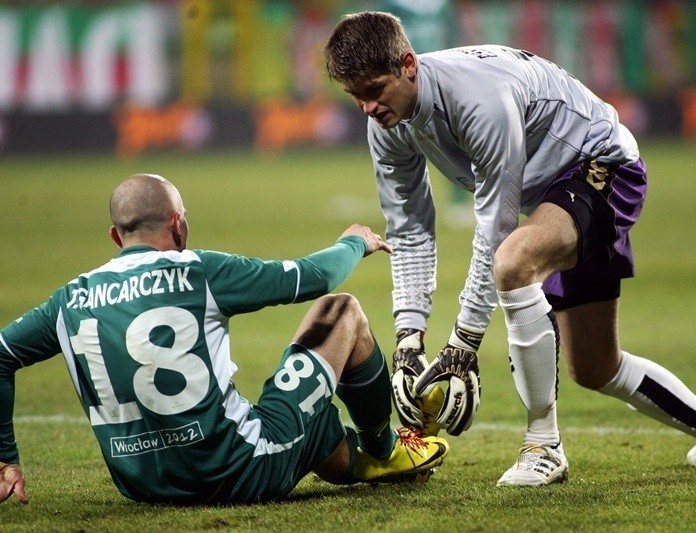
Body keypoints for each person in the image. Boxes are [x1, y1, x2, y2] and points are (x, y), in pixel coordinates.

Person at [323, 11, 696, 487]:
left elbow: (496, 228)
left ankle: (544, 446)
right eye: (356, 97)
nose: (368, 107)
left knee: (514, 261)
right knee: (597, 367)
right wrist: (408, 341)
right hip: (553, 198)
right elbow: (411, 230)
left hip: (603, 166)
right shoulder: (386, 125)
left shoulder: (480, 99)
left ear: (408, 65)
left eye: (375, 90)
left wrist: (463, 344)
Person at [0, 173, 448, 505]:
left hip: (144, 486)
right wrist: (355, 242)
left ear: (116, 236)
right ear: (178, 225)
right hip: (234, 470)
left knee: (311, 424)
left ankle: (353, 454)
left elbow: (2, 355)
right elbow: (314, 278)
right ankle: (385, 449)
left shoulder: (70, 299)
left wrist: (6, 458)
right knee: (341, 311)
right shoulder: (198, 270)